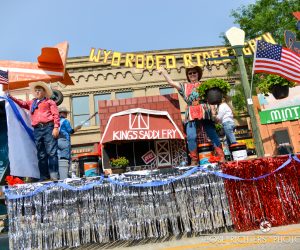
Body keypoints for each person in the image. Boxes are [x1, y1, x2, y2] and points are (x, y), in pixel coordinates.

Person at [157, 66, 225, 165]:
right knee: (191, 137)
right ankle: (194, 159)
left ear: (198, 74)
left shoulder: (205, 85)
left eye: (194, 73)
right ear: (188, 76)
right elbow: (171, 82)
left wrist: (214, 113)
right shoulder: (184, 86)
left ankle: (221, 155)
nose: (192, 74)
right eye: (190, 73)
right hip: (190, 112)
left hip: (204, 110)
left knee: (212, 133)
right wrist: (163, 72)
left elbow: (211, 100)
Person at [8, 81, 60, 180]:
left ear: (44, 92)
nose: (37, 92)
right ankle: (44, 176)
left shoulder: (50, 102)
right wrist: (11, 97)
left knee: (52, 152)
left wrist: (56, 127)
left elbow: (56, 115)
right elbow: (22, 103)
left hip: (48, 127)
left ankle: (54, 175)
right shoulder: (32, 102)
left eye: (39, 90)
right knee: (41, 154)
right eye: (36, 90)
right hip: (37, 129)